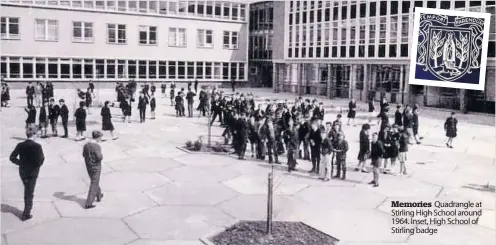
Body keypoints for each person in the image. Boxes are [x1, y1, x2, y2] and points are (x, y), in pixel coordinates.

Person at [9, 125, 45, 221]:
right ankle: (26, 214)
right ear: (34, 134)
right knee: (29, 192)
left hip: (23, 172)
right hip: (32, 173)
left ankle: (27, 211)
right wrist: (35, 166)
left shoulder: (20, 145)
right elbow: (41, 160)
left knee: (27, 190)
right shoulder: (37, 146)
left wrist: (21, 163)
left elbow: (12, 157)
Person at [82, 131, 104, 209]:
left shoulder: (86, 145)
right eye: (100, 137)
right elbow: (99, 157)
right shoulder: (97, 146)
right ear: (97, 137)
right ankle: (89, 202)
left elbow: (83, 155)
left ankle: (98, 194)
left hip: (88, 165)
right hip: (96, 166)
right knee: (94, 182)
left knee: (94, 180)